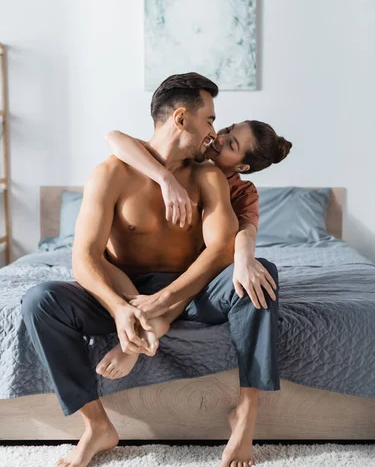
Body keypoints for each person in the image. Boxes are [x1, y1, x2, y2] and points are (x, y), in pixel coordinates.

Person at [20, 72, 284, 467]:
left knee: (260, 275)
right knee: (40, 300)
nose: (214, 131)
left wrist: (163, 301)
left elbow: (217, 252)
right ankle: (97, 425)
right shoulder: (112, 172)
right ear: (182, 118)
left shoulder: (209, 176)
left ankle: (247, 410)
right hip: (122, 287)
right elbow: (84, 257)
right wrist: (120, 309)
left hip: (190, 289)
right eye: (211, 119)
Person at [96, 117, 293, 379]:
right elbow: (113, 137)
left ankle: (147, 331)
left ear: (242, 166)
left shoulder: (241, 192)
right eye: (227, 129)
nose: (219, 137)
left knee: (251, 269)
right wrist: (165, 178)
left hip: (199, 279)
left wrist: (244, 260)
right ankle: (150, 324)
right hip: (152, 271)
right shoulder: (185, 158)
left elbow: (245, 232)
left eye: (231, 143)